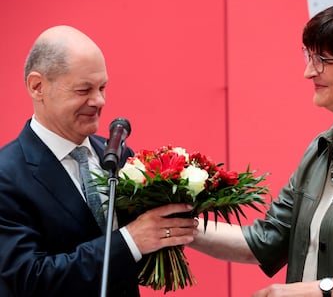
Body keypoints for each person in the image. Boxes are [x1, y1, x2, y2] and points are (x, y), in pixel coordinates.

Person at [189, 2, 333, 297]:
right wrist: (180, 227)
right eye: (309, 56)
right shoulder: (323, 147)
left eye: (323, 59)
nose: (309, 72)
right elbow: (268, 240)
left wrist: (313, 291)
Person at [0, 25, 198, 297]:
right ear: (37, 87)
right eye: (83, 90)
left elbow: (144, 254)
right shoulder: (6, 175)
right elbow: (28, 279)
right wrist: (130, 240)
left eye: (102, 87)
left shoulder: (118, 155)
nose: (99, 101)